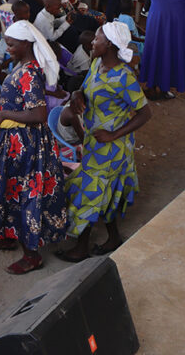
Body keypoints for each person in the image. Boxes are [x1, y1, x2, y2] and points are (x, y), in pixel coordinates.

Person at [0, 20, 67, 274]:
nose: (7, 47)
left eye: (11, 44)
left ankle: (32, 255)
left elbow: (39, 114)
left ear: (26, 43)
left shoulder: (29, 72)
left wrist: (3, 114)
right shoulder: (23, 67)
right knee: (7, 190)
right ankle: (9, 235)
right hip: (15, 141)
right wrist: (5, 100)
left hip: (26, 144)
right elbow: (24, 98)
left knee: (24, 194)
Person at [57, 23, 151, 262]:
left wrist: (113, 135)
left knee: (88, 193)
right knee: (106, 193)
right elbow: (85, 90)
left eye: (97, 39)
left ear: (109, 44)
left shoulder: (124, 78)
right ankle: (113, 238)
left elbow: (145, 113)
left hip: (111, 149)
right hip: (94, 143)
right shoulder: (97, 65)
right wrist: (77, 95)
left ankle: (81, 247)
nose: (92, 43)